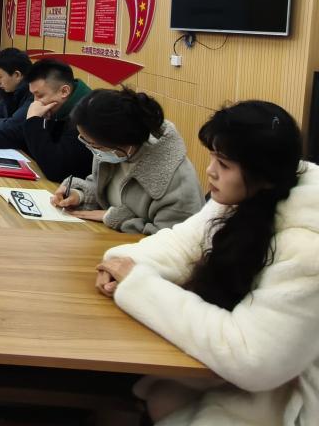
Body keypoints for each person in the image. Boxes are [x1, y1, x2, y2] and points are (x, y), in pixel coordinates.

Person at [95, 101, 319, 426]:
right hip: (222, 380)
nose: (210, 170)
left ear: (264, 176)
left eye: (223, 164)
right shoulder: (244, 196)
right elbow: (181, 243)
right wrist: (122, 264)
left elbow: (251, 356)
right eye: (213, 156)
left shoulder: (309, 248)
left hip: (281, 404)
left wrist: (138, 286)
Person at [51, 88, 203, 233]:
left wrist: (116, 217)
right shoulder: (113, 153)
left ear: (121, 140)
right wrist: (79, 195)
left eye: (94, 144)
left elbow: (172, 238)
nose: (91, 148)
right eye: (85, 141)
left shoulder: (176, 181)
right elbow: (100, 188)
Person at [0, 58, 91, 183]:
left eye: (40, 95)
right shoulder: (57, 107)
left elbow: (56, 169)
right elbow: (21, 134)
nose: (35, 102)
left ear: (64, 91)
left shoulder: (86, 116)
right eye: (33, 96)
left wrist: (33, 120)